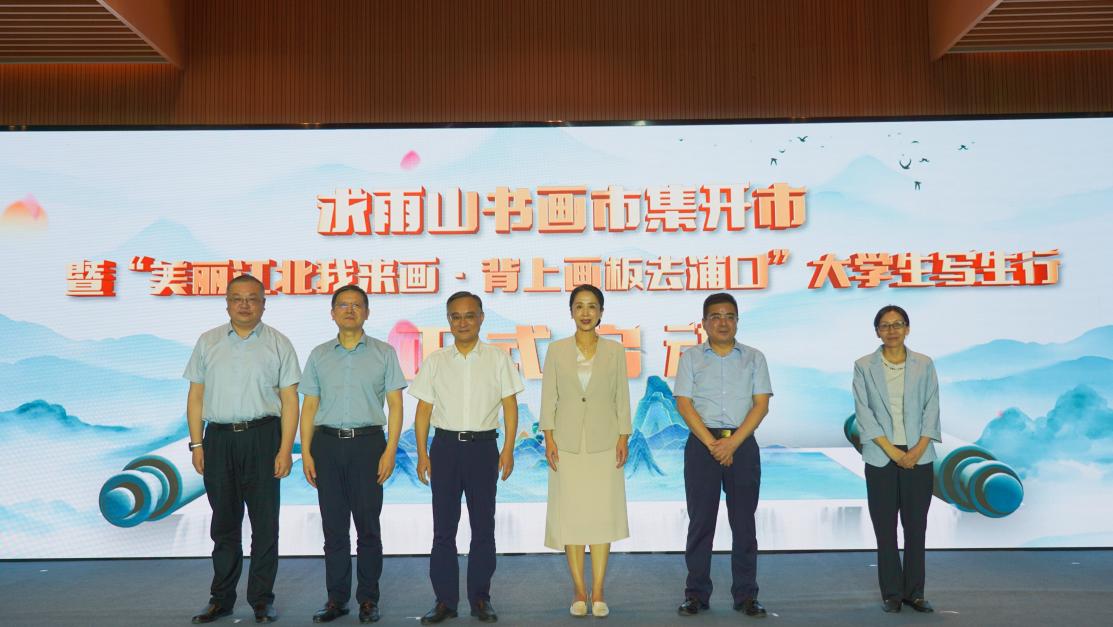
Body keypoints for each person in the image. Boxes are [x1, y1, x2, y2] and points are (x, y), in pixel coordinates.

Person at [184, 273, 301, 624]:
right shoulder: (208, 342)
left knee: (265, 525)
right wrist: (197, 443)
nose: (245, 305)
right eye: (237, 298)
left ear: (264, 304)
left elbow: (290, 401)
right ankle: (221, 599)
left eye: (252, 298)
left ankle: (262, 600)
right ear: (227, 303)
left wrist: (285, 450)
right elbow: (196, 396)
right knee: (224, 524)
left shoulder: (279, 343)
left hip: (263, 438)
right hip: (218, 439)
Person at [408, 291, 524, 624]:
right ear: (448, 321)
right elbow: (423, 410)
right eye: (456, 316)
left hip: (483, 449)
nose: (463, 322)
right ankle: (444, 601)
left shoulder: (498, 358)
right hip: (444, 449)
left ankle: (480, 599)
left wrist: (508, 449)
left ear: (481, 318)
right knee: (443, 529)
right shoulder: (436, 360)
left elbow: (510, 406)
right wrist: (422, 453)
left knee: (483, 527)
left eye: (469, 315)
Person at [300, 285, 406, 624]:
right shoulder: (319, 355)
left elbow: (396, 405)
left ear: (367, 312)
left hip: (368, 445)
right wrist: (306, 453)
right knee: (334, 528)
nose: (350, 310)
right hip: (327, 445)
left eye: (357, 305)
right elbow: (309, 406)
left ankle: (368, 599)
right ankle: (336, 599)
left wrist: (390, 450)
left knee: (368, 527)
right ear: (332, 313)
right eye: (343, 305)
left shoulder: (384, 353)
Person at [674, 293, 772, 618]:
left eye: (729, 316)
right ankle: (696, 594)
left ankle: (746, 595)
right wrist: (713, 444)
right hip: (702, 445)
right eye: (715, 316)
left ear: (737, 321)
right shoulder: (690, 358)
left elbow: (761, 405)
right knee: (701, 522)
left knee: (744, 523)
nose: (723, 322)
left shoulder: (754, 358)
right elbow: (684, 404)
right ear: (704, 323)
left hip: (742, 444)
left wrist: (732, 444)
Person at [540, 284, 632, 618]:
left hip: (604, 443)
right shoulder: (556, 351)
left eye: (592, 306)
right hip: (566, 445)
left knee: (601, 516)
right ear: (571, 312)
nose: (586, 312)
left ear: (601, 312)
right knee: (572, 517)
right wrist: (548, 437)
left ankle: (600, 589)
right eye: (579, 306)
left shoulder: (615, 351)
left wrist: (624, 436)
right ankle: (579, 589)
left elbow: (622, 396)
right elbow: (548, 397)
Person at [852, 305, 940, 614]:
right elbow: (864, 412)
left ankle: (915, 593)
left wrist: (917, 450)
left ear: (907, 329)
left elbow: (932, 409)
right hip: (881, 456)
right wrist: (893, 452)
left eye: (898, 324)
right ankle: (891, 593)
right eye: (885, 325)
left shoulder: (924, 364)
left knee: (916, 527)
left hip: (919, 454)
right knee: (885, 528)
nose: (892, 330)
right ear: (877, 331)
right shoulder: (864, 366)